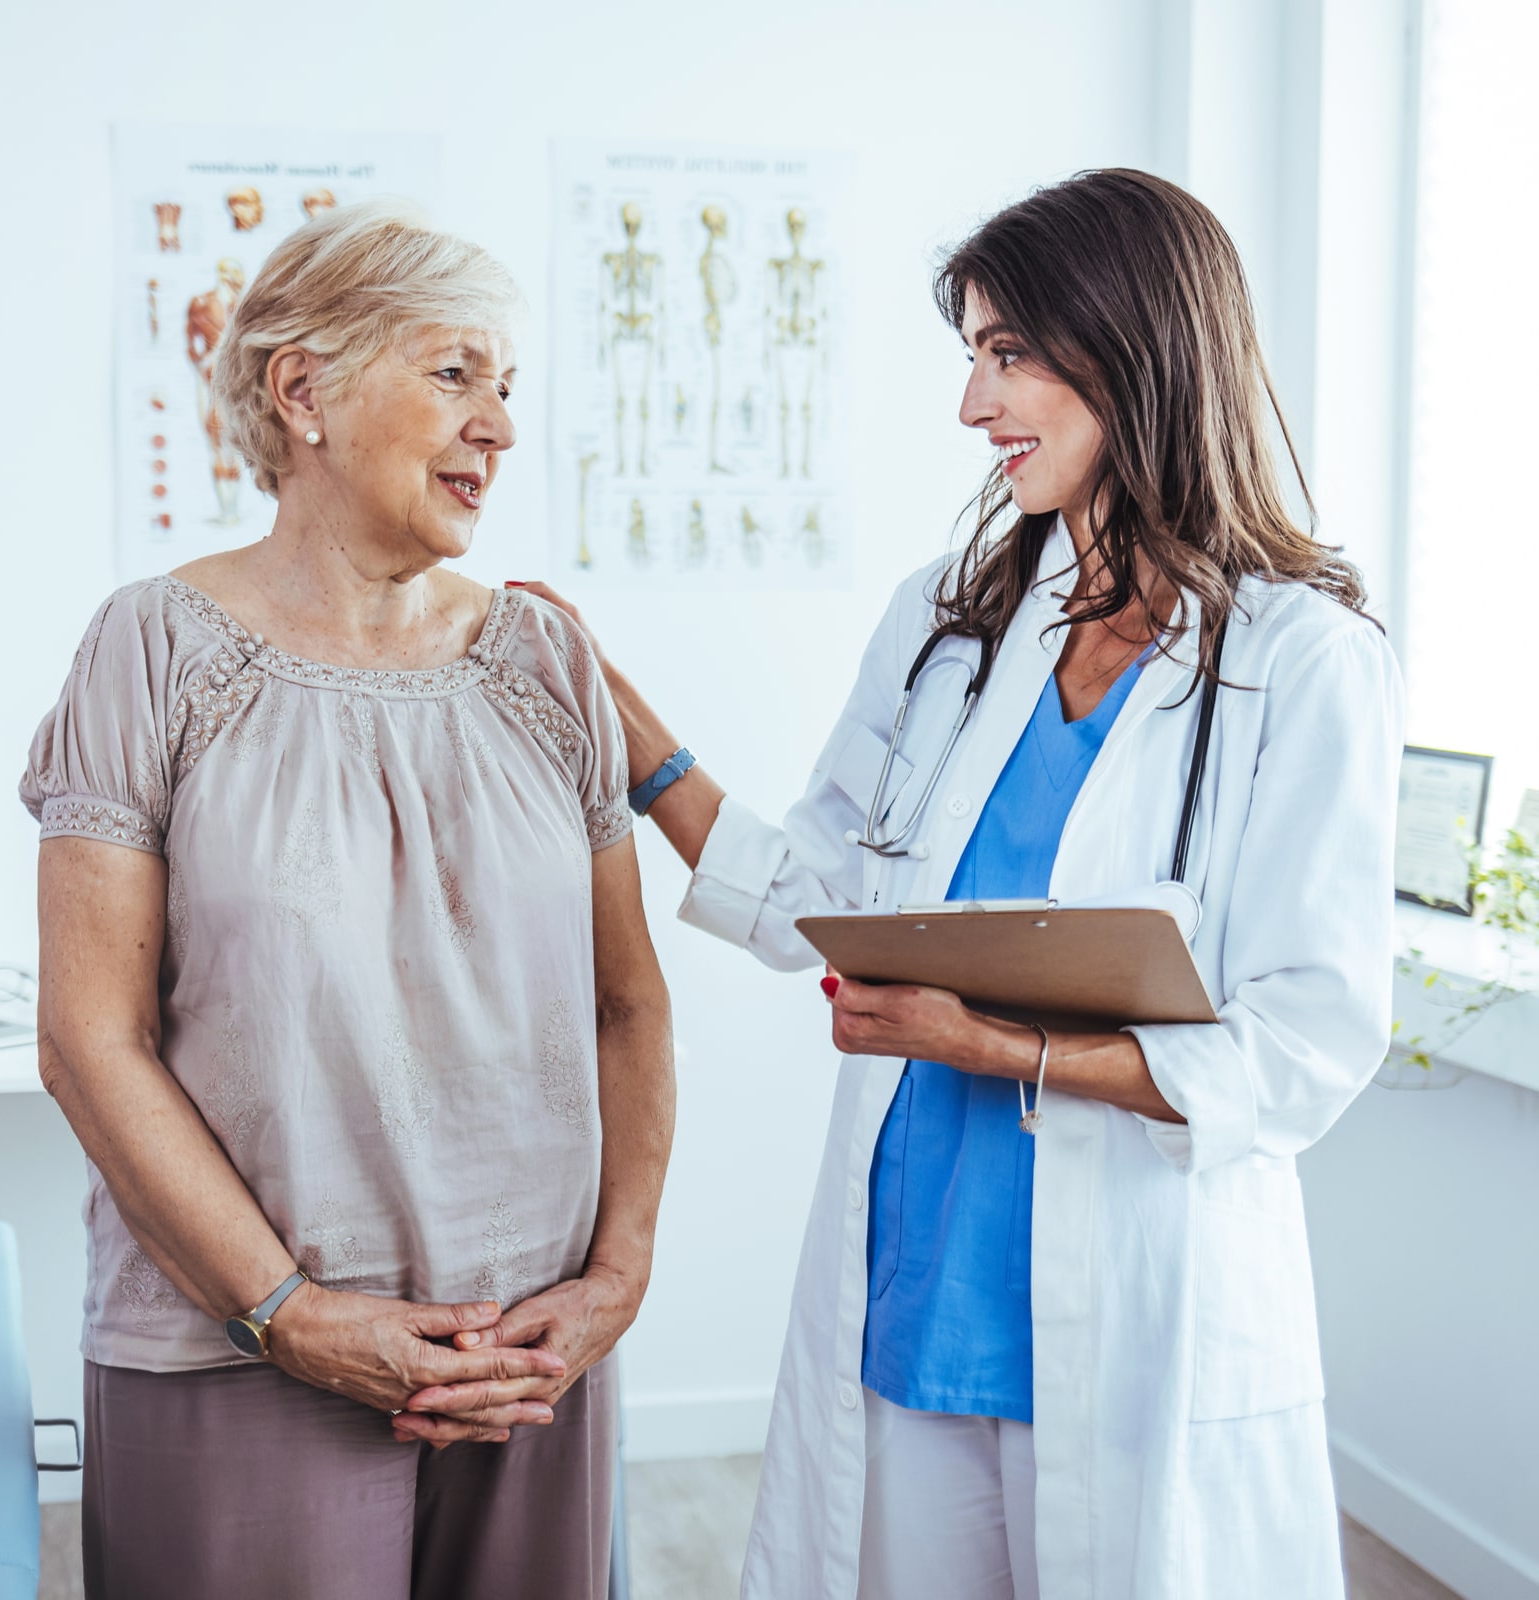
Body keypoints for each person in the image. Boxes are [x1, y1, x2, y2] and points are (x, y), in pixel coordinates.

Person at [523, 168, 1403, 1600]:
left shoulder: (1303, 662)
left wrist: (998, 1049)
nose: (973, 405)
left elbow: (1303, 1046)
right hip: (920, 1274)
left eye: (1007, 356)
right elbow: (810, 885)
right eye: (972, 358)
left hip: (1140, 1300)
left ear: (1132, 348)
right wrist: (623, 719)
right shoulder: (952, 622)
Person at [22, 200, 674, 1600]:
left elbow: (629, 1002)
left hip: (528, 1365)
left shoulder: (548, 662)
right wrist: (290, 1314)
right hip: (236, 1355)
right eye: (455, 374)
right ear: (301, 390)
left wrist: (614, 1281)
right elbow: (90, 1042)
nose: (498, 425)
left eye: (508, 388)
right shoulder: (152, 650)